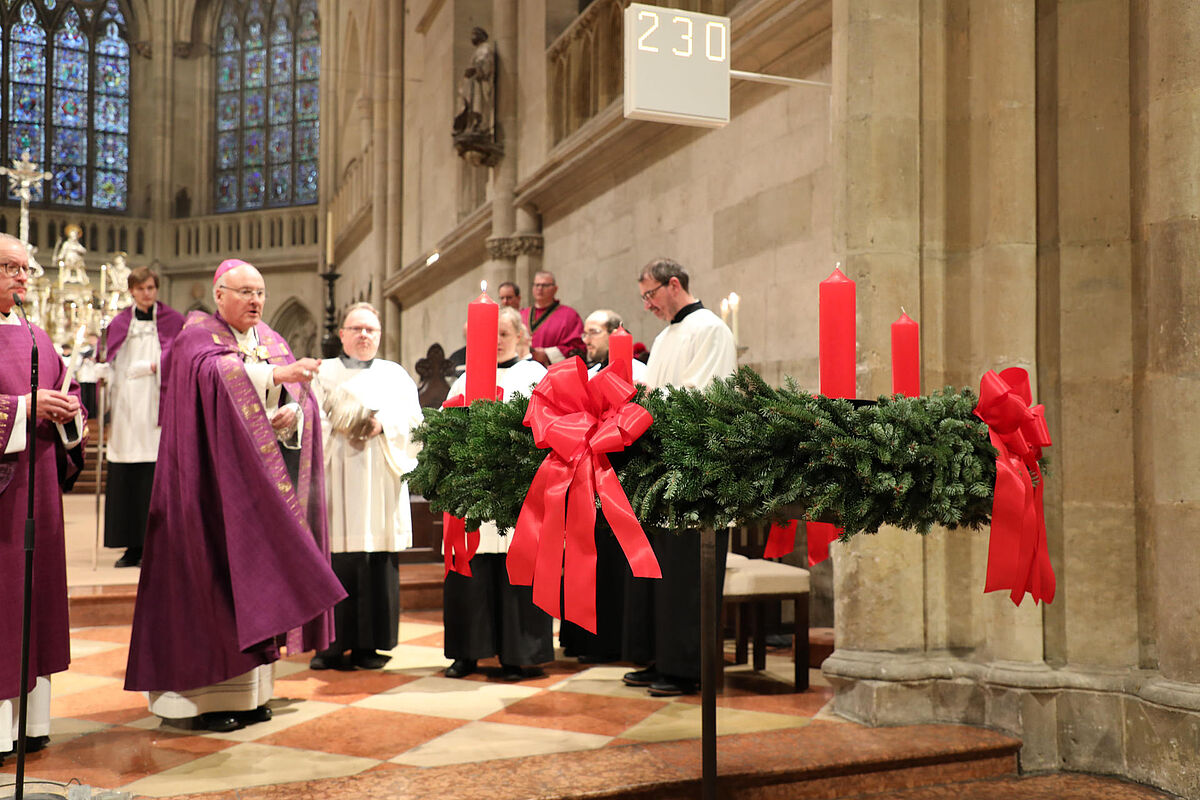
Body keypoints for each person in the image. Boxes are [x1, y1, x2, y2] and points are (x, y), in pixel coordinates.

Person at [124, 259, 346, 733]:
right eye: (244, 292)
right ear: (219, 293)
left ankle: (250, 695)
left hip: (254, 492)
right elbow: (217, 379)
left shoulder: (271, 341)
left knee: (253, 586)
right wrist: (279, 380)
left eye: (260, 292)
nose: (255, 301)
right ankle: (200, 701)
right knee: (210, 587)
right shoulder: (196, 336)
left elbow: (297, 401)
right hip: (205, 490)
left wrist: (291, 416)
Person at [623, 257, 737, 697]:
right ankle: (660, 659)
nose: (647, 305)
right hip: (663, 467)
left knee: (688, 575)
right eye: (643, 298)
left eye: (650, 294)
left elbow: (703, 393)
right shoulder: (666, 335)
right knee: (662, 571)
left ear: (674, 285)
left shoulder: (710, 329)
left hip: (697, 468)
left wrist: (648, 400)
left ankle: (687, 668)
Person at [0, 232, 85, 759]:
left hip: (38, 488)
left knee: (33, 599)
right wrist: (25, 409)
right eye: (13, 267)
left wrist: (69, 410)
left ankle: (31, 722)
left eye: (27, 269)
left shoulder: (37, 334)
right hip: (3, 495)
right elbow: (27, 402)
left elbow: (63, 389)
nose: (24, 278)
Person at [312, 303, 423, 671]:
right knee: (333, 560)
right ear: (341, 334)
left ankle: (369, 646)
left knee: (375, 558)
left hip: (378, 481)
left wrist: (383, 425)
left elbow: (414, 423)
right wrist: (339, 423)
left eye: (371, 330)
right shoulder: (321, 373)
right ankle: (328, 647)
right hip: (335, 479)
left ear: (379, 336)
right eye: (356, 329)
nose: (363, 335)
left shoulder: (395, 375)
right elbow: (304, 417)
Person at [442, 305, 551, 680]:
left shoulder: (535, 374)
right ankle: (466, 653)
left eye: (504, 334)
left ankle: (519, 653)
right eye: (489, 334)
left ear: (521, 337)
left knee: (516, 569)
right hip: (473, 491)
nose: (496, 341)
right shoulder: (465, 379)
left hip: (518, 490)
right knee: (473, 568)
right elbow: (446, 427)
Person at [101, 266, 184, 568]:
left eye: (151, 288)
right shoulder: (120, 322)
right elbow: (104, 358)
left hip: (156, 412)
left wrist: (154, 366)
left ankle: (157, 545)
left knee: (153, 477)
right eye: (141, 289)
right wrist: (102, 371)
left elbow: (185, 356)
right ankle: (132, 547)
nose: (147, 293)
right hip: (126, 411)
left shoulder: (174, 321)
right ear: (132, 291)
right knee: (127, 477)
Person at [520, 271, 584, 366]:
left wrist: (548, 354)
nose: (540, 289)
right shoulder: (522, 314)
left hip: (554, 373)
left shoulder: (569, 316)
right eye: (537, 285)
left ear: (555, 289)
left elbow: (578, 350)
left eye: (545, 285)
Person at [582, 309, 648, 382]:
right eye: (585, 334)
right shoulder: (589, 375)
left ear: (614, 333)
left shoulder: (640, 374)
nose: (586, 340)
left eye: (594, 332)